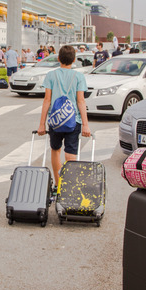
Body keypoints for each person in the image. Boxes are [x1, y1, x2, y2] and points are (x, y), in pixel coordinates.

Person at [37, 45, 91, 197]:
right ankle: (69, 185)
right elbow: (80, 101)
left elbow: (47, 100)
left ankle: (58, 183)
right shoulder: (79, 77)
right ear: (74, 60)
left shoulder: (51, 75)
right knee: (71, 153)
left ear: (58, 58)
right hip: (74, 120)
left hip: (55, 120)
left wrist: (42, 123)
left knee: (55, 150)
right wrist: (85, 124)